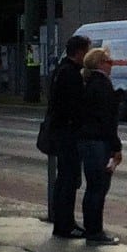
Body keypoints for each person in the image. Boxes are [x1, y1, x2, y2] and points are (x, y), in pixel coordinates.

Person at [77, 48, 123, 245]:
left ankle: (91, 228)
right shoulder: (102, 85)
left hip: (87, 140)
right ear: (99, 64)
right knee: (99, 187)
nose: (111, 64)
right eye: (108, 61)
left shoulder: (88, 83)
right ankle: (95, 231)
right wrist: (116, 146)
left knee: (92, 187)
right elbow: (107, 120)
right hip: (99, 142)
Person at [49, 35, 91, 238]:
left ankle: (63, 222)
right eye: (87, 51)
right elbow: (75, 106)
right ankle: (65, 224)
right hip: (68, 133)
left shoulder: (61, 70)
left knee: (64, 179)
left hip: (61, 131)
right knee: (69, 179)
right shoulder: (71, 74)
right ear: (80, 52)